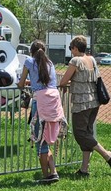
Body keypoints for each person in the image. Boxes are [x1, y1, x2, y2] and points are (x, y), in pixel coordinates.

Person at [59, 35, 111, 176]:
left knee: (80, 134)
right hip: (94, 101)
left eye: (71, 48)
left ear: (75, 48)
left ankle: (107, 155)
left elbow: (63, 81)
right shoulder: (91, 59)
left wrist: (67, 83)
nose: (71, 51)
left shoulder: (75, 61)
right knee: (87, 134)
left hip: (81, 103)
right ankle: (84, 169)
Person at [18, 40, 65, 183]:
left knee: (40, 140)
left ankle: (46, 176)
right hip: (54, 102)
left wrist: (23, 84)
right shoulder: (50, 63)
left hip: (40, 103)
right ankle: (54, 172)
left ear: (31, 51)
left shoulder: (29, 61)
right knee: (47, 138)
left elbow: (21, 83)